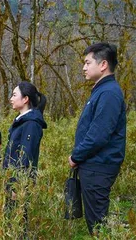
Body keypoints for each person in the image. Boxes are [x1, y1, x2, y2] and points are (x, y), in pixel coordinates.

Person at [68, 42, 126, 235]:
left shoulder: (109, 93)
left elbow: (99, 134)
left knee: (98, 224)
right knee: (96, 221)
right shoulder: (102, 90)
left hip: (98, 166)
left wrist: (76, 156)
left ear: (103, 65)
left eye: (87, 62)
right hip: (94, 165)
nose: (84, 67)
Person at [2, 81, 47, 236]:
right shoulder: (22, 121)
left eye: (14, 95)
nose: (11, 98)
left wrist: (16, 186)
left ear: (25, 99)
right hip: (11, 179)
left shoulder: (31, 123)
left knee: (19, 222)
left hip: (20, 182)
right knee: (11, 221)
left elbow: (25, 156)